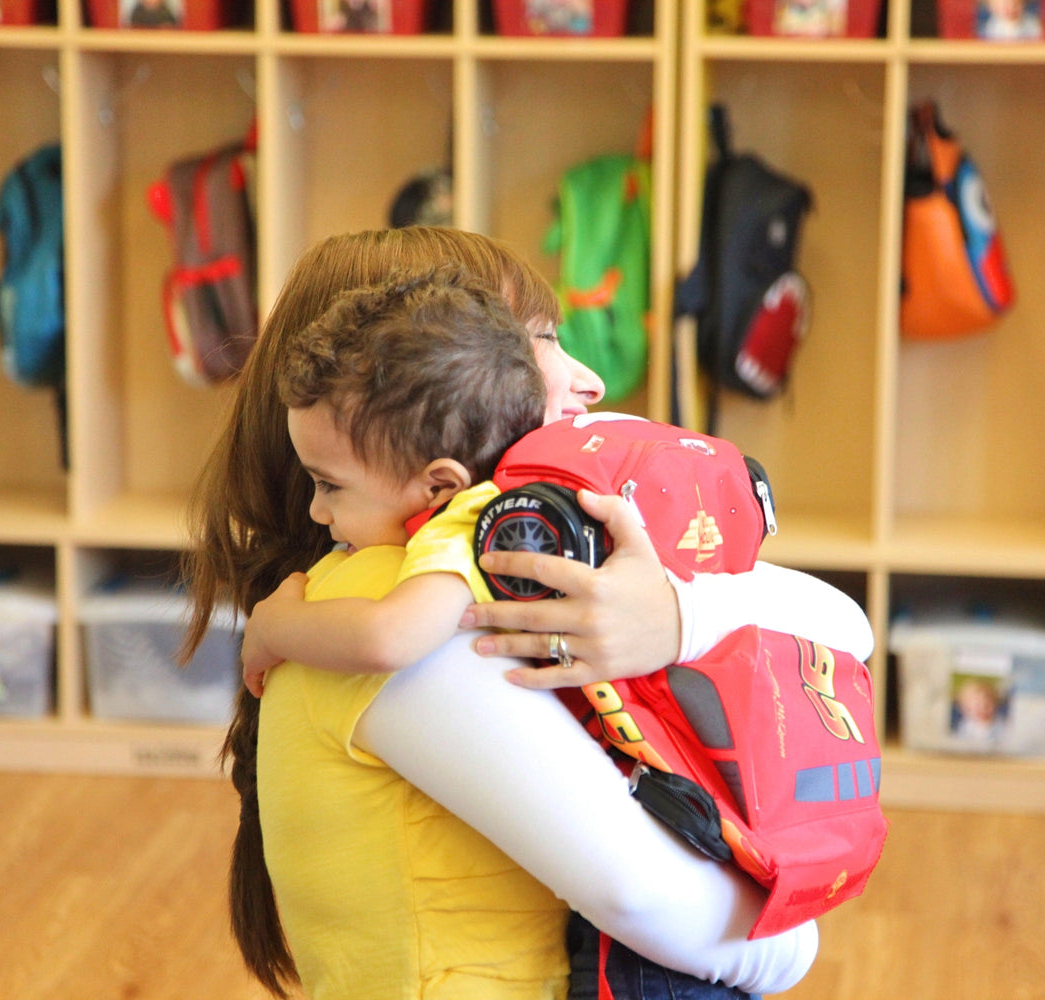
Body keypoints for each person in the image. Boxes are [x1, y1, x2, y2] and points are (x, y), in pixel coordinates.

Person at [183, 227, 874, 999]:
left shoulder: (483, 561)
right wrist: (790, 948)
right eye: (540, 340)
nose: (591, 383)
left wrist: (675, 614)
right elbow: (644, 896)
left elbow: (847, 628)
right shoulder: (399, 598)